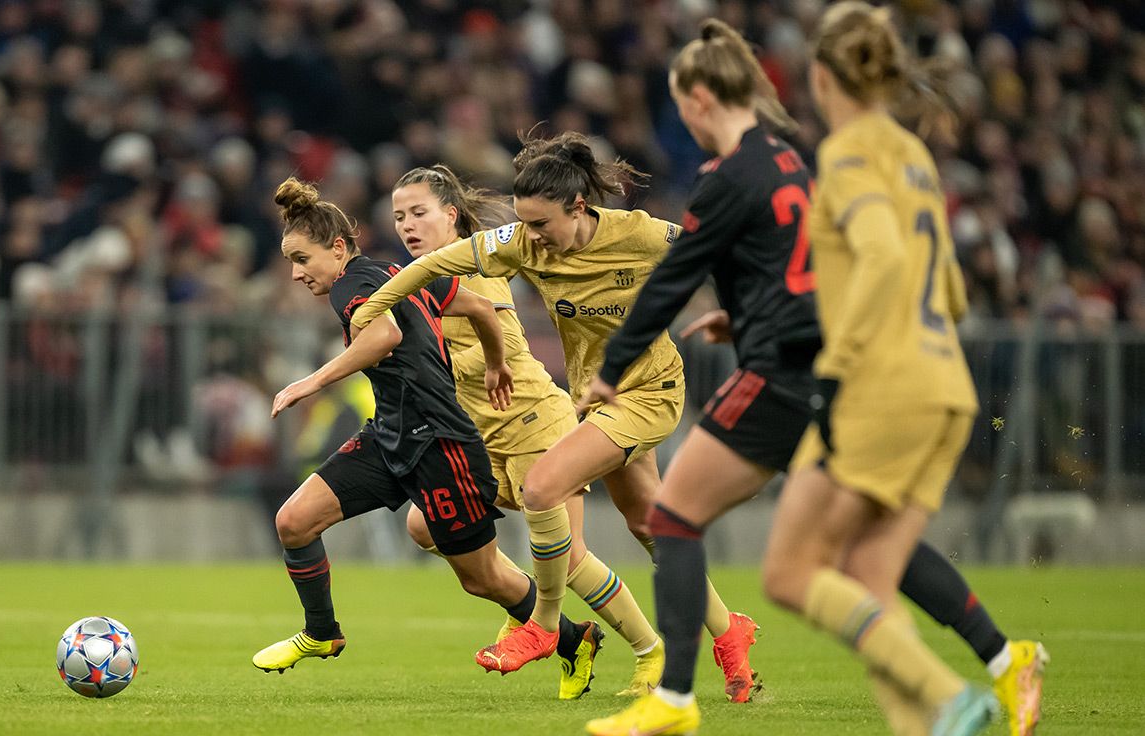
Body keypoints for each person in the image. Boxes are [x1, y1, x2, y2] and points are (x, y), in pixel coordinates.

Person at [581, 17, 1047, 736]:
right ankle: (987, 667)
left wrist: (615, 367)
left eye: (681, 103)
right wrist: (755, 318)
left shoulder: (766, 171)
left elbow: (676, 280)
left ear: (701, 98)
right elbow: (856, 274)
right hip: (901, 372)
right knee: (871, 554)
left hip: (810, 371)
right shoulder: (821, 160)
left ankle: (674, 697)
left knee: (685, 520)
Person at [347, 133, 759, 699]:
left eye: (542, 225)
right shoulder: (521, 243)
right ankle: (728, 629)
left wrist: (743, 315)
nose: (533, 238)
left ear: (580, 209)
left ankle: (542, 624)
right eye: (525, 225)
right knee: (648, 525)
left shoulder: (636, 233)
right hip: (596, 396)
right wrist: (374, 305)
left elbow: (716, 249)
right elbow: (436, 264)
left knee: (543, 491)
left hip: (649, 391)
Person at [759, 4, 1040, 735]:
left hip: (880, 388)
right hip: (944, 383)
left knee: (789, 572)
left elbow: (881, 254)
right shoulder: (912, 153)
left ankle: (949, 695)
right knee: (872, 586)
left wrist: (836, 367)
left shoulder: (850, 152)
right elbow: (947, 283)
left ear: (820, 78)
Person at [251, 178, 600, 686]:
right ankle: (322, 632)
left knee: (482, 580)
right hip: (389, 435)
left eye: (303, 259)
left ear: (340, 248)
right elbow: (480, 309)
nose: (296, 273)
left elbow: (386, 334)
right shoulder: (401, 272)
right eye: (291, 261)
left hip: (441, 444)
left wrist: (312, 381)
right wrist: (494, 363)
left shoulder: (353, 285)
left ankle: (574, 639)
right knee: (294, 522)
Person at [389, 164, 659, 699]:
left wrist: (438, 359)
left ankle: (651, 653)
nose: (407, 226)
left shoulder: (476, 263)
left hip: (534, 421)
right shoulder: (420, 276)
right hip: (480, 438)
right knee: (424, 525)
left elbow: (498, 332)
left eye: (419, 213)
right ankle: (537, 612)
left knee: (571, 553)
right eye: (398, 216)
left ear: (451, 215)